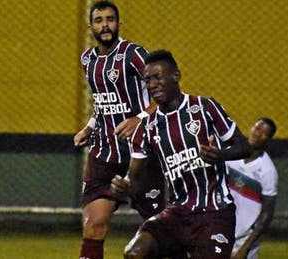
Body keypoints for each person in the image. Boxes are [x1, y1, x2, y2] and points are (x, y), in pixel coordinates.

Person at [111, 50, 253, 259]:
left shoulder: (205, 108)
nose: (152, 85)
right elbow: (133, 178)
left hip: (215, 214)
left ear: (175, 76)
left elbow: (244, 147)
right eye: (147, 80)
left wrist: (219, 155)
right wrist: (124, 184)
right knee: (135, 252)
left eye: (158, 77)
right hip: (176, 214)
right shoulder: (146, 128)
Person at [74, 2, 166, 258]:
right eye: (100, 20)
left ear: (118, 23)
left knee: (159, 227)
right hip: (103, 154)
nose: (105, 25)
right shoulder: (87, 60)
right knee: (93, 224)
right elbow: (103, 102)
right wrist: (89, 127)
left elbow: (163, 94)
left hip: (140, 155)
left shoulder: (134, 54)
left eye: (110, 19)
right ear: (90, 26)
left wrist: (138, 119)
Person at [227, 118, 278, 259]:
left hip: (243, 240)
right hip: (220, 230)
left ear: (268, 140)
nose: (257, 133)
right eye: (256, 128)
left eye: (263, 133)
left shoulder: (267, 171)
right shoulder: (231, 154)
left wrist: (245, 247)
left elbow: (267, 215)